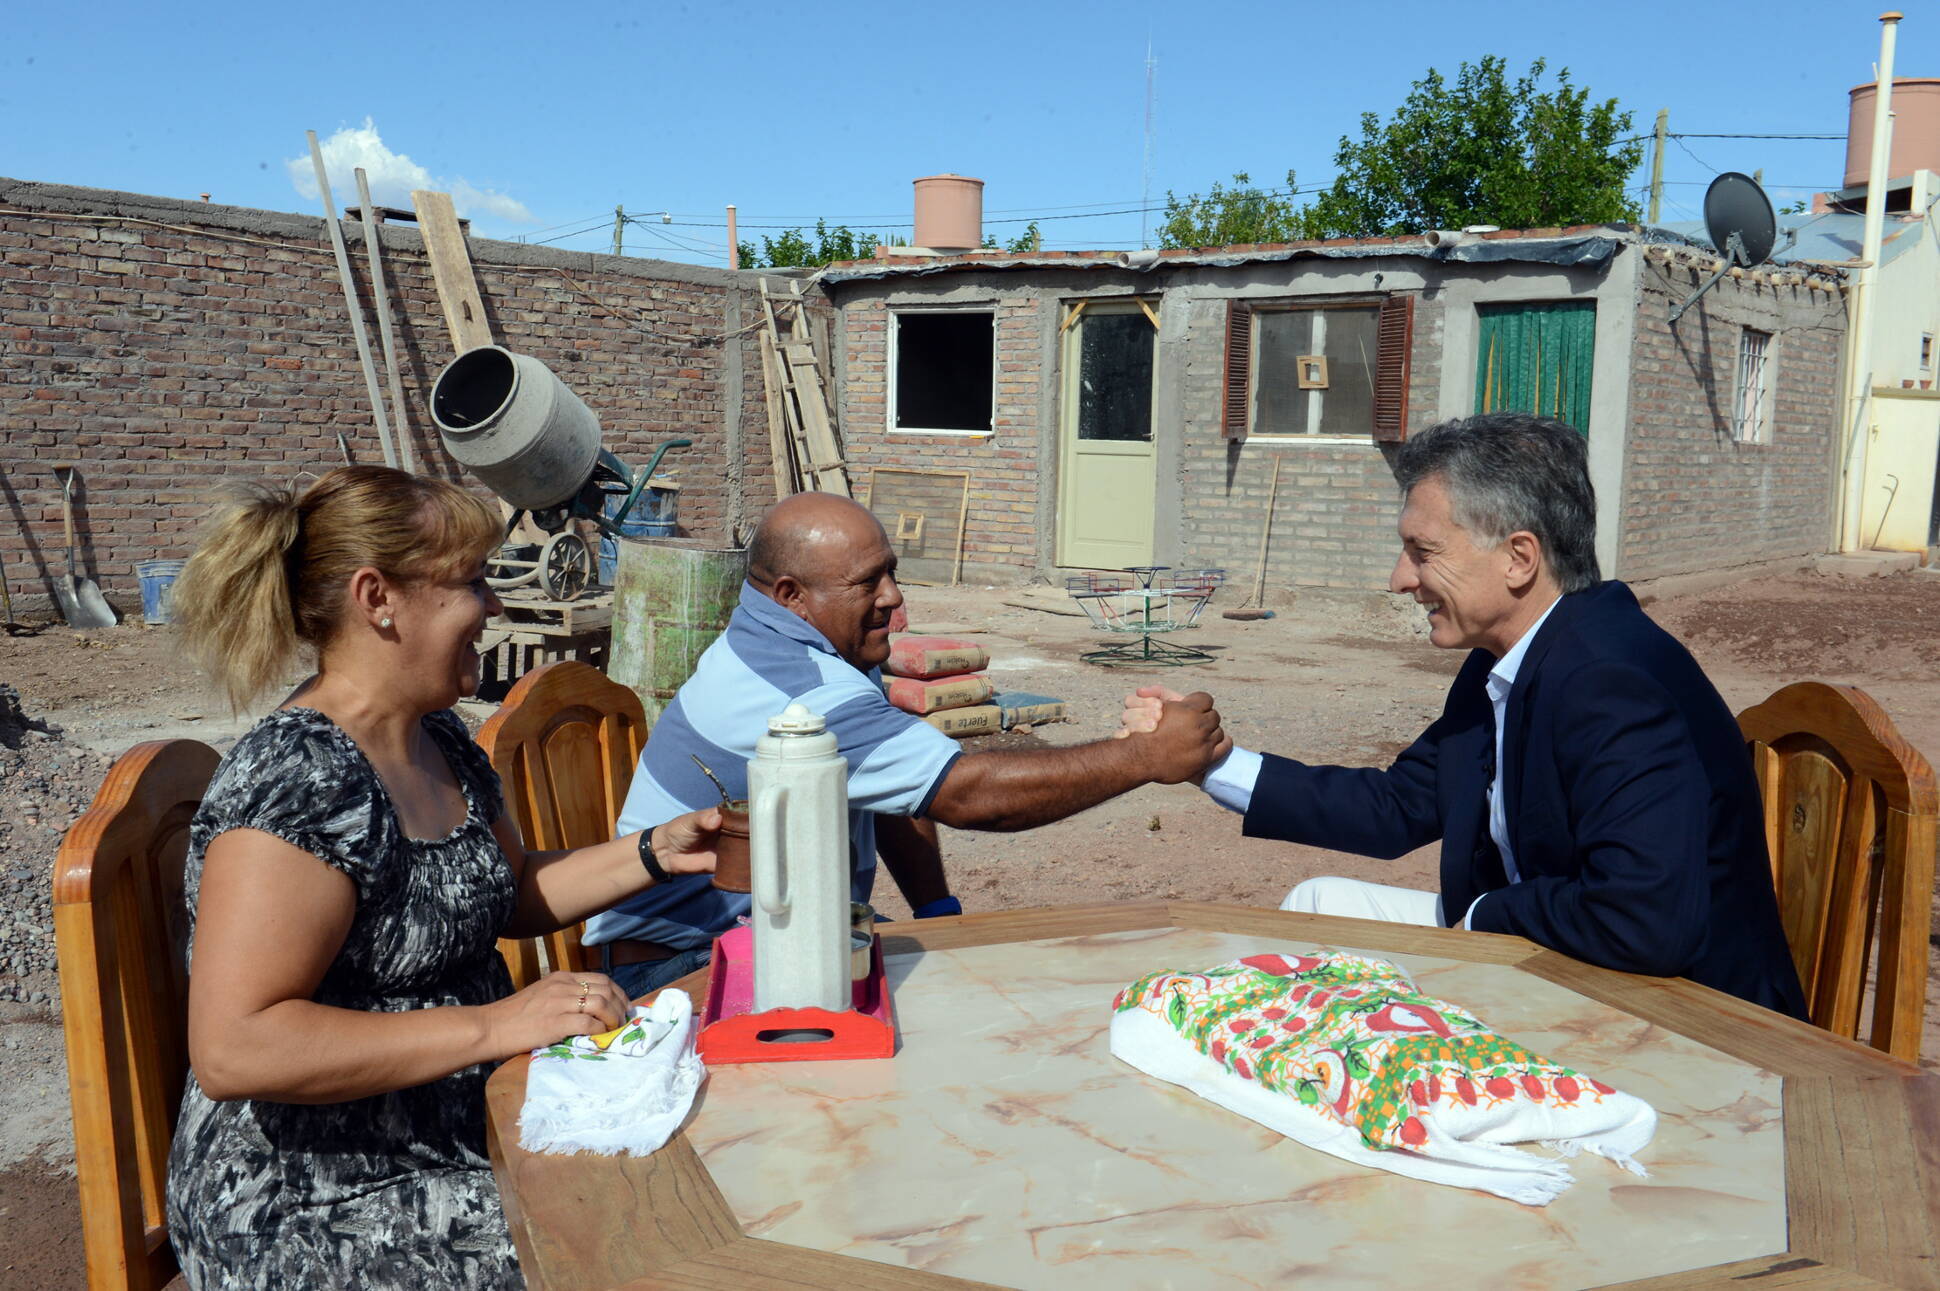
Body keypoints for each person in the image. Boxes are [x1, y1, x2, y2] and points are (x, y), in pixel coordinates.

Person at [162, 465, 723, 1290]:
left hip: (460, 1128)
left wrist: (652, 851)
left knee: (690, 1178)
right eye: (470, 582)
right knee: (630, 1244)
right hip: (317, 1191)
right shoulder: (298, 780)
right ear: (377, 598)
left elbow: (512, 889)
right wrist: (498, 1024)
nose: (491, 607)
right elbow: (235, 1046)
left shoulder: (438, 737)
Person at [1121, 413, 1807, 1018]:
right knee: (1317, 906)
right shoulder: (1504, 661)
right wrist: (1211, 761)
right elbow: (1397, 806)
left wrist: (1484, 916)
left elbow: (1644, 916)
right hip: (1554, 955)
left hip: (1688, 1020)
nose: (1399, 578)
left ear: (1519, 557)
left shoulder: (1611, 681)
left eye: (1423, 552)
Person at [584, 492, 1230, 996]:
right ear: (792, 596)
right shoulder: (798, 689)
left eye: (891, 572)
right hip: (675, 966)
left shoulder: (806, 649)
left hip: (773, 937)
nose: (895, 599)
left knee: (987, 990)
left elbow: (900, 787)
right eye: (870, 582)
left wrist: (936, 911)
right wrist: (1142, 756)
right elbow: (969, 794)